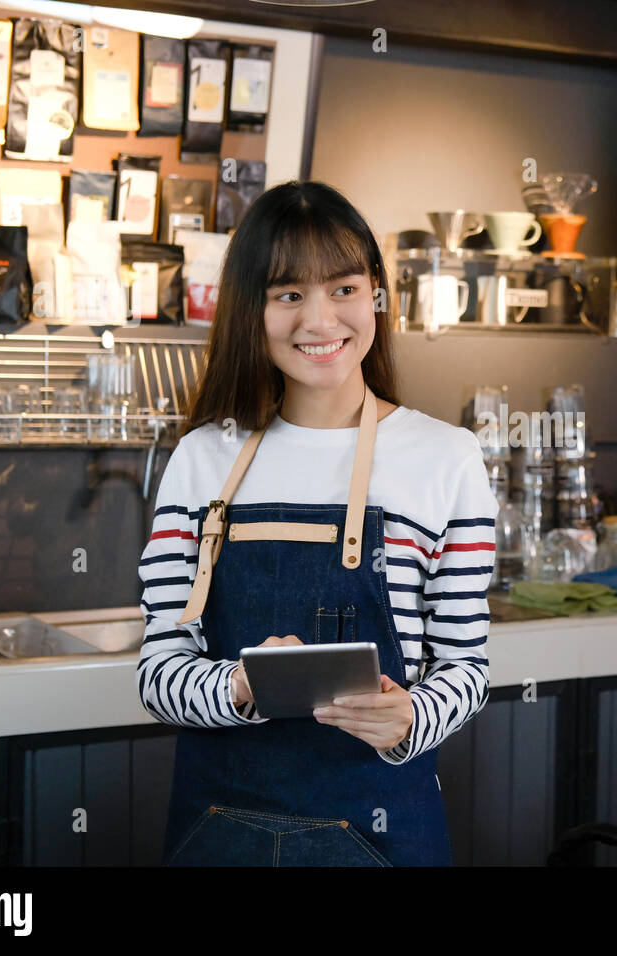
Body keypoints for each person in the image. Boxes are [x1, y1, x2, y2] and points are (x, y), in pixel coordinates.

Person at [136, 181, 498, 866]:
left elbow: (466, 668)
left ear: (376, 296)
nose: (321, 320)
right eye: (288, 295)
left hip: (384, 831)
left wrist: (412, 717)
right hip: (218, 832)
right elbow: (158, 673)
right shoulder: (199, 458)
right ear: (252, 310)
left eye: (343, 289)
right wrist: (240, 688)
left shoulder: (448, 457)